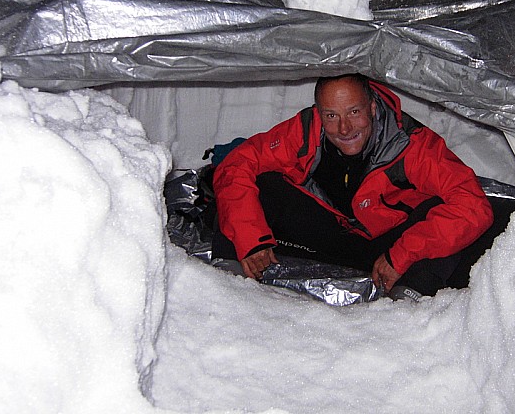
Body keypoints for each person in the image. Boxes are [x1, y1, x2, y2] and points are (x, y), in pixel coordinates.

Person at [211, 73, 493, 301]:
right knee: (259, 183)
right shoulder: (306, 129)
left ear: (372, 107)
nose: (344, 128)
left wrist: (402, 254)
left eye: (354, 112)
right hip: (328, 232)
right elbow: (237, 164)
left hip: (384, 245)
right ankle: (227, 280)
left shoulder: (412, 143)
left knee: (446, 213)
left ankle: (409, 298)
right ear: (320, 113)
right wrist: (250, 240)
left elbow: (473, 206)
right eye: (332, 116)